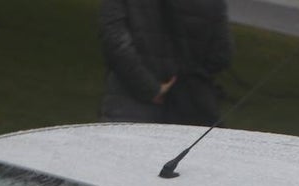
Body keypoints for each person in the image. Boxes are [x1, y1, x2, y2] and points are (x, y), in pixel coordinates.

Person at [97, 0, 233, 125]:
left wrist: (150, 88)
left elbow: (115, 43)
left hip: (128, 106)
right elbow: (221, 54)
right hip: (188, 108)